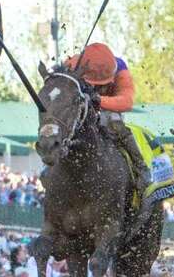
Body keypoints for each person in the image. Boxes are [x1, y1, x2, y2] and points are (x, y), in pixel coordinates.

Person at [63, 42, 151, 205]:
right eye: (94, 85)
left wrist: (98, 99)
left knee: (114, 120)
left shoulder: (121, 69)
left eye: (102, 85)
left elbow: (127, 102)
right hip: (79, 110)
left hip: (106, 110)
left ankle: (141, 169)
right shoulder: (71, 65)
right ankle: (50, 164)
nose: (97, 88)